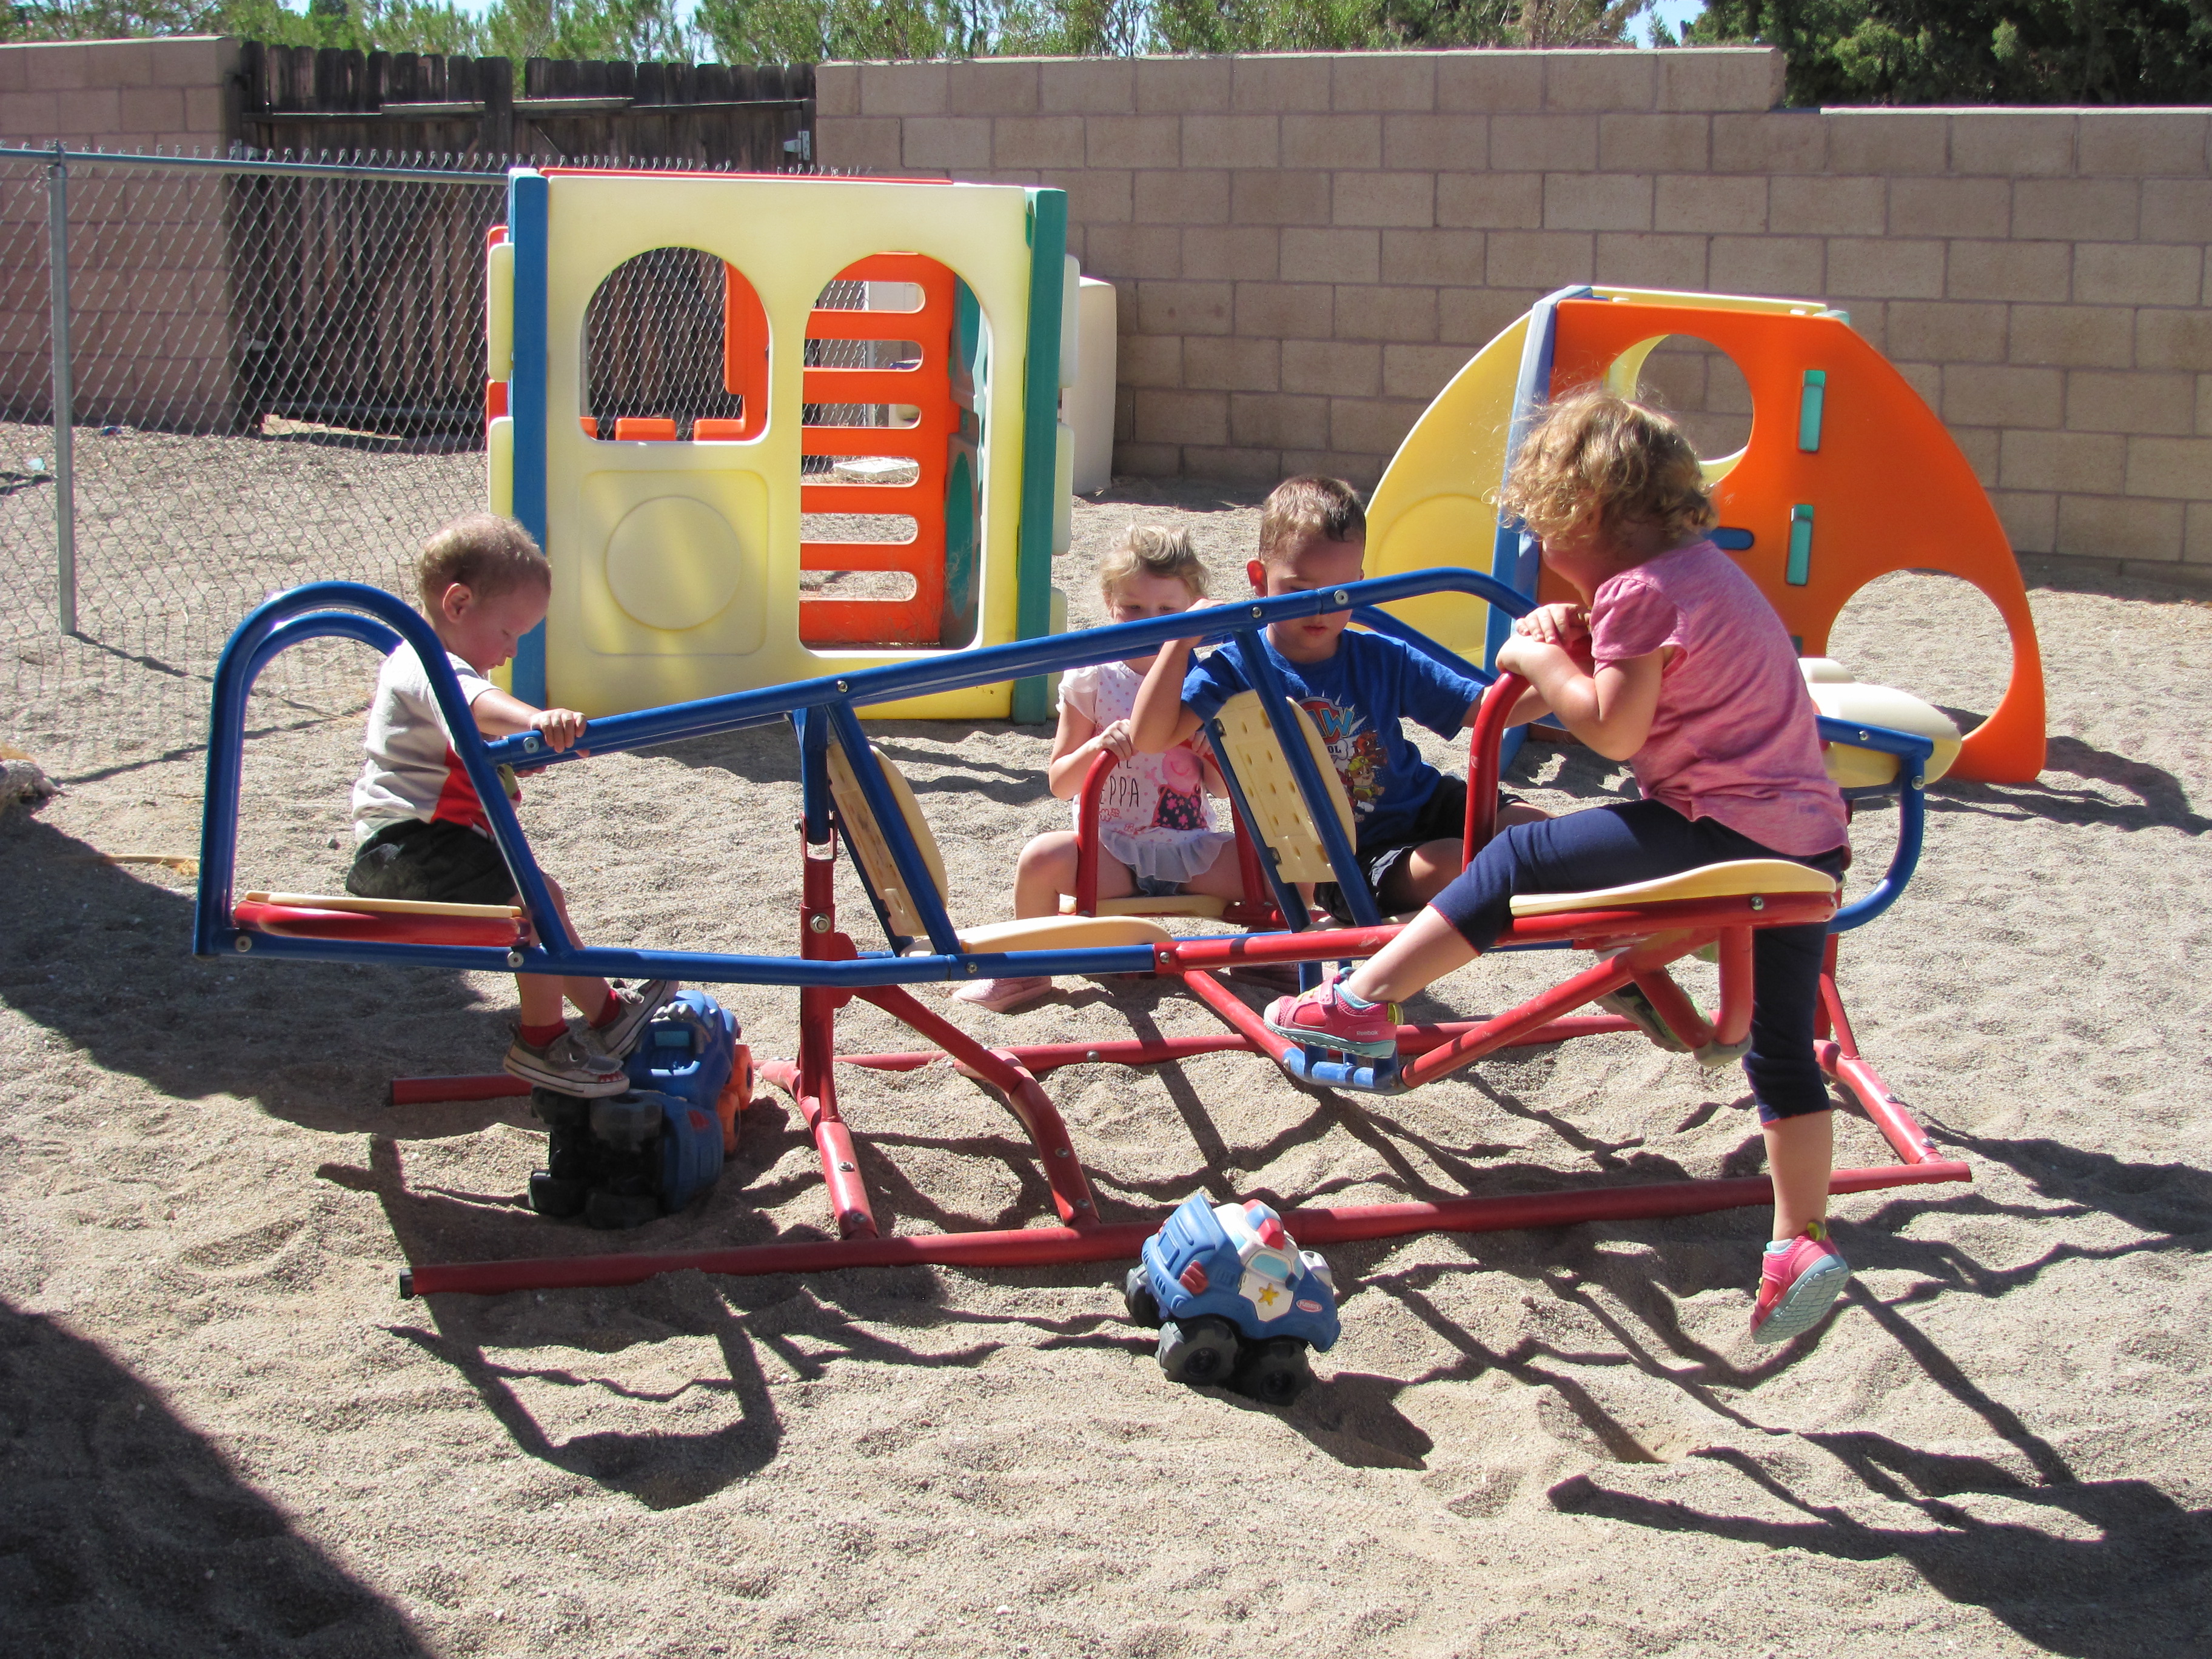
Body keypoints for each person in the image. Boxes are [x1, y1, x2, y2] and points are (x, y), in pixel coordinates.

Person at [1258, 392, 1854, 1344]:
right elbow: (1651, 673)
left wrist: (1539, 661)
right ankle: (1801, 1241)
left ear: (1587, 517)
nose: (1538, 547)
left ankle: (1364, 998)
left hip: (1720, 827)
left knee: (1526, 849)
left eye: (1543, 527)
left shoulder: (1640, 592)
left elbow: (1611, 725)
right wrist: (1573, 634)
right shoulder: (1697, 575)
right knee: (1783, 1054)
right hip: (1810, 845)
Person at [347, 513, 675, 1095]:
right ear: (458, 604)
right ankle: (542, 1043)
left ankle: (607, 1018)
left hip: (432, 844)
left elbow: (466, 747)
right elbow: (473, 705)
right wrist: (535, 720)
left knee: (541, 898)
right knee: (533, 904)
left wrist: (518, 755)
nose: (512, 649)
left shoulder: (439, 663)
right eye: (508, 633)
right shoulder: (424, 661)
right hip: (406, 850)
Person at [1128, 476, 1543, 925]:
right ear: (1259, 578)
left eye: (1341, 592)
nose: (1321, 609)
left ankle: (1619, 953)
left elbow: (1486, 710)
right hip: (1347, 857)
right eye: (1300, 591)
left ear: (1361, 584)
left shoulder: (1381, 657)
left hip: (1427, 802)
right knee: (1455, 865)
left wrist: (1565, 672)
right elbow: (1150, 738)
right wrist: (1178, 644)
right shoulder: (1235, 668)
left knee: (1543, 833)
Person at [954, 526, 1243, 1014]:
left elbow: (1220, 787)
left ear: (1192, 611)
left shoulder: (1203, 678)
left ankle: (1274, 962)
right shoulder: (1095, 677)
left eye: (1168, 613)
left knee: (1275, 861)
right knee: (1040, 858)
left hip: (1190, 850)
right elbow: (1061, 781)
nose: (1149, 624)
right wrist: (1097, 747)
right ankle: (1025, 973)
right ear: (1111, 603)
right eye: (1134, 608)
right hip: (1111, 854)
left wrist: (1209, 748)